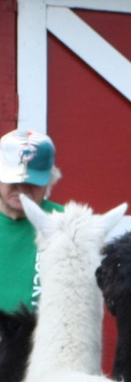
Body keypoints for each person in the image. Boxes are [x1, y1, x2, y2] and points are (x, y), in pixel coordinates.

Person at [0, 128, 62, 313]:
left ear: (49, 179)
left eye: (33, 182)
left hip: (42, 337)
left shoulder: (65, 223)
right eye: (13, 180)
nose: (22, 188)